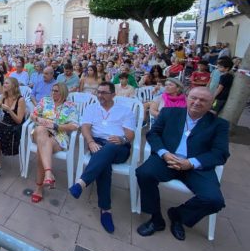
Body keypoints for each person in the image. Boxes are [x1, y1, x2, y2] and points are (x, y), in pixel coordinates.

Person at [136, 87, 229, 241]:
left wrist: (191, 163)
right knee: (144, 173)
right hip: (167, 159)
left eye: (203, 100)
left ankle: (178, 215)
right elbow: (153, 134)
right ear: (187, 98)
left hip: (196, 167)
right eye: (194, 98)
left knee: (214, 200)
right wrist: (164, 153)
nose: (197, 102)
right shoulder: (169, 113)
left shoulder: (219, 125)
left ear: (211, 104)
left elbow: (220, 153)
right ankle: (156, 218)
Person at [69, 82, 135, 234]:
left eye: (104, 93)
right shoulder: (91, 108)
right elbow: (85, 127)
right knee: (104, 165)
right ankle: (105, 210)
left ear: (113, 94)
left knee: (110, 147)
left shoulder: (124, 111)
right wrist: (90, 142)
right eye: (98, 92)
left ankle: (82, 182)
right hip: (97, 143)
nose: (100, 95)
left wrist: (123, 139)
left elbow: (130, 134)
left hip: (119, 146)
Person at [29, 82, 78, 203]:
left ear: (63, 92)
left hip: (59, 136)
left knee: (42, 149)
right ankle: (49, 173)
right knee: (40, 129)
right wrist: (37, 119)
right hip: (40, 131)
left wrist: (56, 126)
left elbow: (74, 126)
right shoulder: (45, 101)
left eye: (56, 91)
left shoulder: (70, 106)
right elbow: (32, 115)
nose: (52, 93)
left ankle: (40, 186)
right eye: (52, 90)